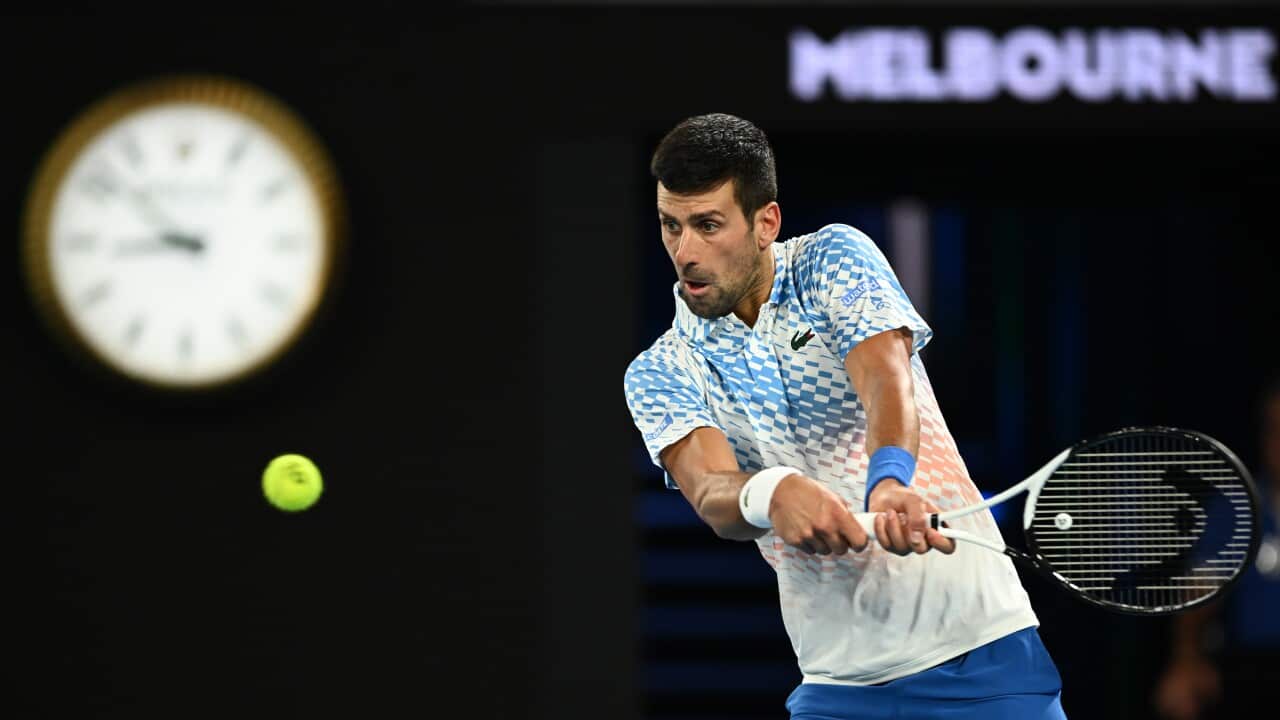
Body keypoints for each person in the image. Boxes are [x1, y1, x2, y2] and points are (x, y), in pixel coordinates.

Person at [623, 113, 1066, 720]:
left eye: (707, 225)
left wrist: (888, 480)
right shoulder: (661, 371)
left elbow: (886, 378)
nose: (686, 253)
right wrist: (773, 492)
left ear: (764, 223)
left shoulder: (832, 259)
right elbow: (711, 492)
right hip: (838, 684)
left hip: (981, 651)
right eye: (670, 227)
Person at [1152, 377, 1280, 720]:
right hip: (1254, 667)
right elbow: (1199, 595)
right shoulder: (1235, 508)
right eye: (1273, 430)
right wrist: (1186, 661)